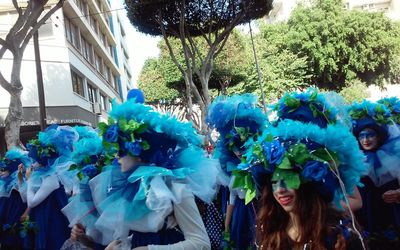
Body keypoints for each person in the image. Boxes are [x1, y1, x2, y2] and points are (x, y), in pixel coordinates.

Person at [69, 99, 222, 249]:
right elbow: (133, 235)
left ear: (140, 153)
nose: (116, 156)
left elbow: (201, 243)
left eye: (122, 150)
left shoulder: (176, 189)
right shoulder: (129, 189)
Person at [238, 119, 366, 249]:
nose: (279, 190)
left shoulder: (339, 236)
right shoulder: (272, 231)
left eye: (288, 180)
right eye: (274, 182)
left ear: (308, 184)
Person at [206, 94, 267, 249]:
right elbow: (231, 201)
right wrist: (226, 229)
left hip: (259, 216)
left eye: (242, 147)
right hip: (240, 218)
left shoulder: (260, 172)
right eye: (234, 148)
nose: (238, 152)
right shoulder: (233, 174)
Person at [350, 100, 400, 249]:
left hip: (391, 213)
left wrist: (398, 193)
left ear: (378, 136)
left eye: (370, 135)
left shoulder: (394, 155)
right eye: (361, 136)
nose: (365, 140)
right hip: (365, 214)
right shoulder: (353, 159)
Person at [24, 125, 79, 249]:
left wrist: (28, 181)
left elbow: (32, 202)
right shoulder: (44, 176)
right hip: (44, 219)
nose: (32, 164)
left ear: (43, 161)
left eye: (34, 160)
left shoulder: (51, 179)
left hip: (51, 223)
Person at [0, 148, 31, 249]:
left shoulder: (18, 182)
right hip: (4, 215)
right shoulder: (3, 183)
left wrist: (21, 180)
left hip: (15, 216)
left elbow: (26, 198)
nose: (1, 172)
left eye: (4, 169)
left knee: (13, 242)